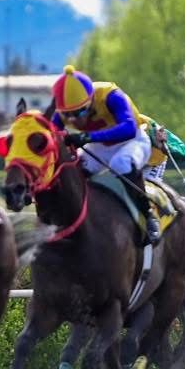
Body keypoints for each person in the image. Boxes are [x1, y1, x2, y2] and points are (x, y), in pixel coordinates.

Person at [50, 65, 161, 245]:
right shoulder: (64, 109)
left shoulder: (110, 95)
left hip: (132, 141)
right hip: (100, 146)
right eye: (67, 115)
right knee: (74, 166)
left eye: (79, 112)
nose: (74, 120)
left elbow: (128, 128)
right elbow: (51, 133)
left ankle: (148, 216)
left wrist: (87, 136)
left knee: (121, 163)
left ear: (91, 99)